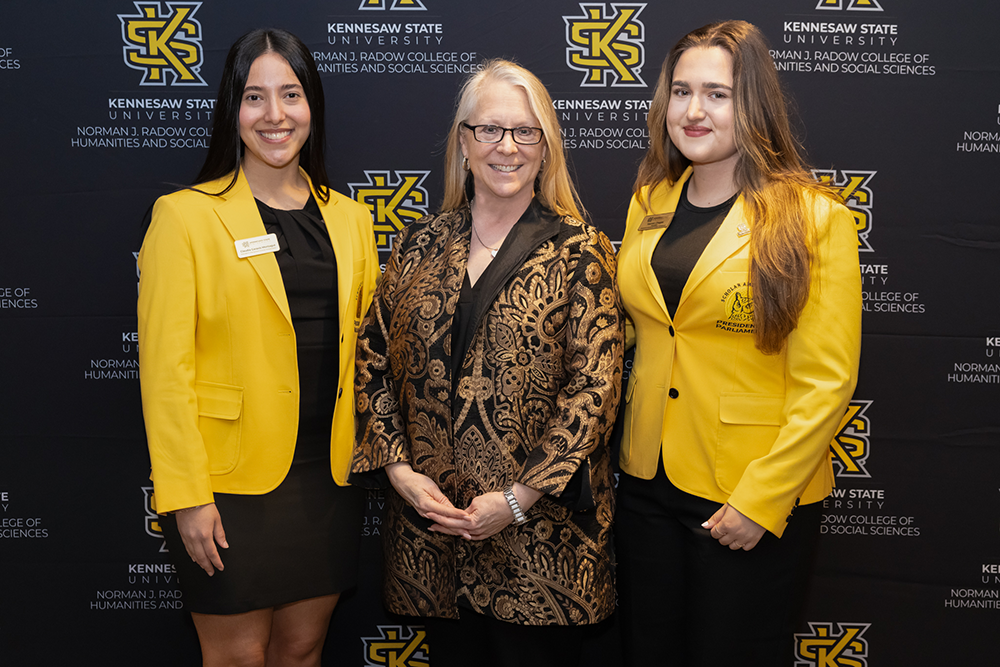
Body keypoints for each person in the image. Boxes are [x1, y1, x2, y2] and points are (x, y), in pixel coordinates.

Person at [351, 60, 624, 667]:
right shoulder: (419, 245)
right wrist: (398, 471)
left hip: (540, 548)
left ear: (546, 147)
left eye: (525, 132)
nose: (507, 147)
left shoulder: (581, 251)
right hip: (434, 539)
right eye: (490, 130)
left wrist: (519, 498)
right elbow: (370, 359)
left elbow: (595, 391)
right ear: (464, 143)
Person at [614, 20, 862, 666]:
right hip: (646, 483)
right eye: (682, 91)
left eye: (717, 94)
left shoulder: (814, 219)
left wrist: (762, 499)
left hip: (746, 497)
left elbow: (826, 383)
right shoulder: (650, 202)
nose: (694, 110)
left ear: (752, 103)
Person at [137, 28, 378, 667]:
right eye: (254, 97)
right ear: (232, 110)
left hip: (327, 479)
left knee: (301, 651)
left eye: (291, 94)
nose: (275, 115)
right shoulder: (184, 217)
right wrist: (185, 494)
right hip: (227, 484)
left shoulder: (352, 219)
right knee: (239, 656)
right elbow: (165, 371)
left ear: (313, 106)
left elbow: (369, 353)